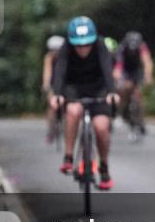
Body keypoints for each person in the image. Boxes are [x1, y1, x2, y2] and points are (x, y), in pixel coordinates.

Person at [49, 16, 119, 190]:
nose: (83, 49)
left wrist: (112, 92)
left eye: (87, 44)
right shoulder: (66, 48)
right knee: (73, 111)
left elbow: (107, 69)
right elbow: (60, 71)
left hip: (98, 88)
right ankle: (68, 156)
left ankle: (104, 167)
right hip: (74, 87)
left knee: (101, 127)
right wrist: (57, 94)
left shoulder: (100, 45)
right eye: (78, 45)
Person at [114, 31, 154, 134]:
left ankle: (140, 118)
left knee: (138, 94)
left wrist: (148, 75)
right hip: (125, 70)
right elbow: (118, 66)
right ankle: (121, 112)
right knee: (124, 89)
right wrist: (119, 78)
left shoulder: (142, 47)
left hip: (136, 70)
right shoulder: (122, 48)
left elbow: (147, 62)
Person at [42, 35, 66, 143]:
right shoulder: (49, 58)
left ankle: (67, 127)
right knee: (51, 104)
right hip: (54, 84)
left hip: (65, 84)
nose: (55, 52)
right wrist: (46, 85)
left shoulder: (67, 57)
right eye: (52, 50)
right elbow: (47, 72)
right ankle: (51, 130)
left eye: (57, 50)